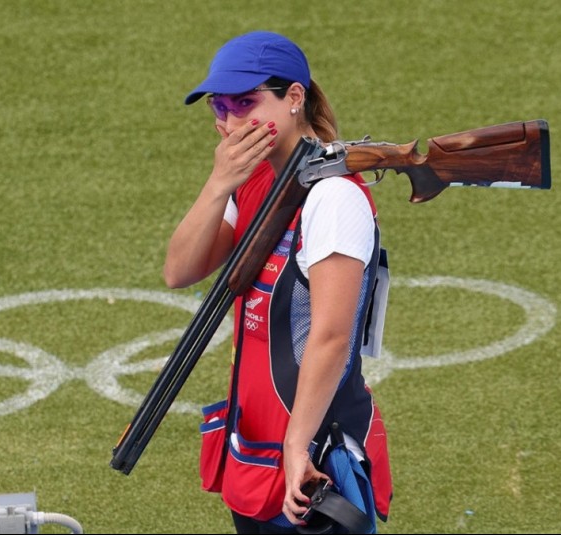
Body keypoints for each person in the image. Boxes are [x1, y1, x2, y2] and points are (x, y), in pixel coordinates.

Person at [164, 31, 393, 533]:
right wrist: (219, 181)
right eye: (219, 108)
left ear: (294, 98)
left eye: (246, 103)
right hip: (258, 448)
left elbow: (331, 337)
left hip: (312, 453)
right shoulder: (254, 180)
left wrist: (296, 446)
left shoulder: (333, 197)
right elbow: (179, 270)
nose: (229, 123)